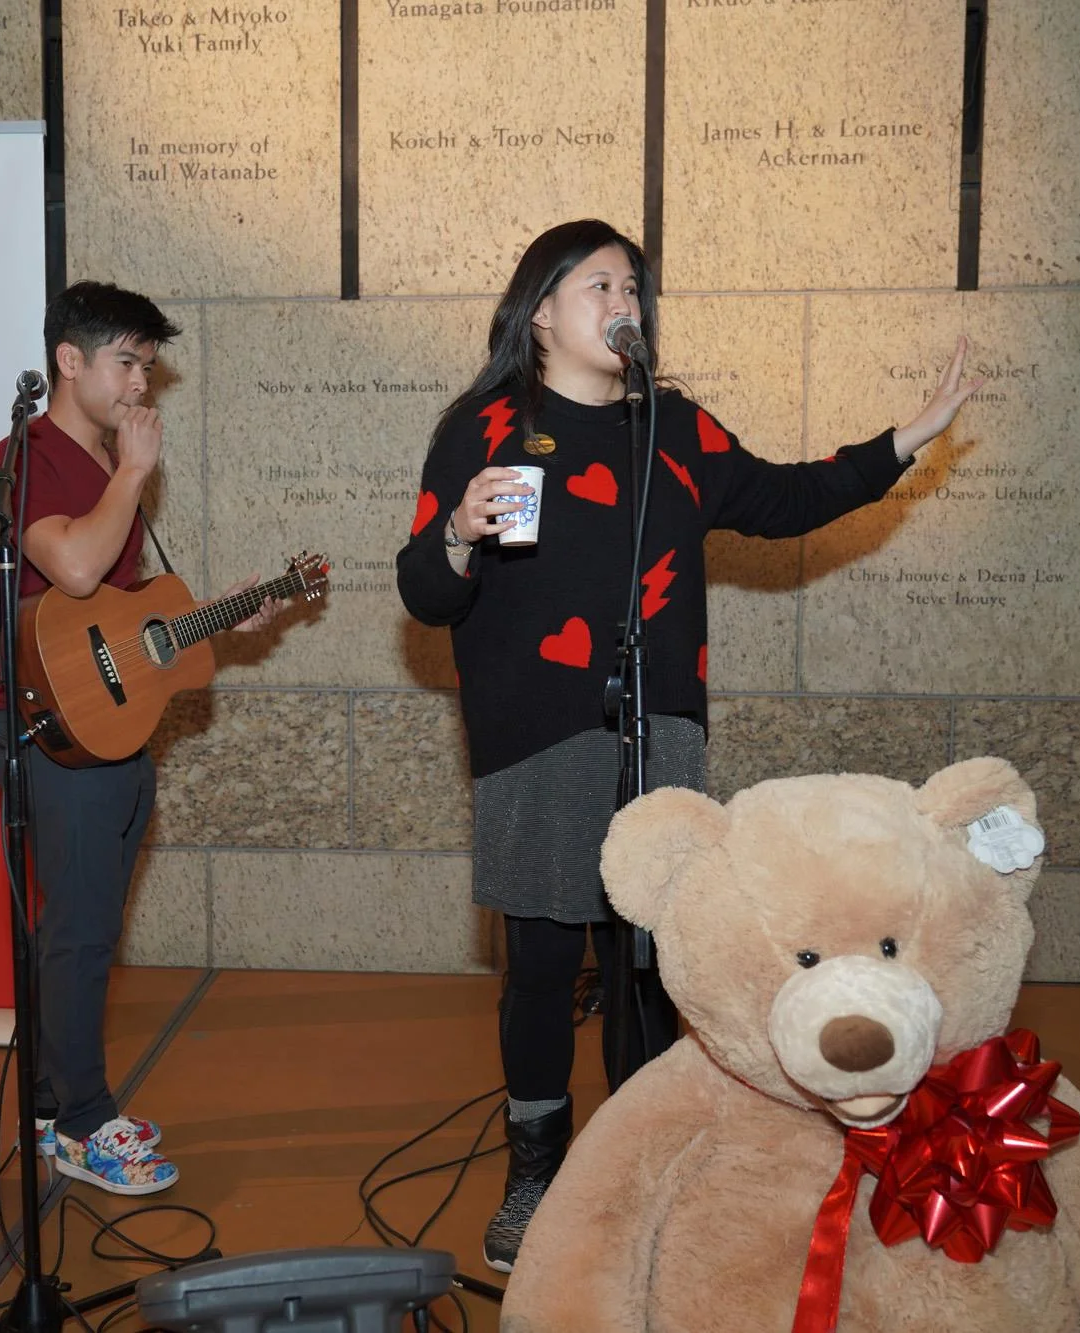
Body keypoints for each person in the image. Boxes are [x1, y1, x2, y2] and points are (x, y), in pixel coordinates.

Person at [393, 219, 985, 1271]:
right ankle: (535, 1172)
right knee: (543, 959)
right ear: (540, 311)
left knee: (646, 966)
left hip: (656, 725)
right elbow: (426, 594)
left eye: (632, 286)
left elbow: (789, 498)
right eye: (598, 284)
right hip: (533, 733)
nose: (623, 300)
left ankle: (643, 1161)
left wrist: (905, 439)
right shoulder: (487, 429)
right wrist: (455, 535)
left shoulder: (671, 429)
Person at [0, 280, 286, 1196]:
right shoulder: (26, 455)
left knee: (83, 929)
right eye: (125, 363)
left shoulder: (108, 464)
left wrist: (217, 618)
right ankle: (84, 1123)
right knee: (78, 934)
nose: (139, 385)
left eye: (148, 367)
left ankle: (48, 1104)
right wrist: (131, 473)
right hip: (50, 732)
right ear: (69, 361)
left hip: (108, 729)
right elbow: (74, 567)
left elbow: (116, 620)